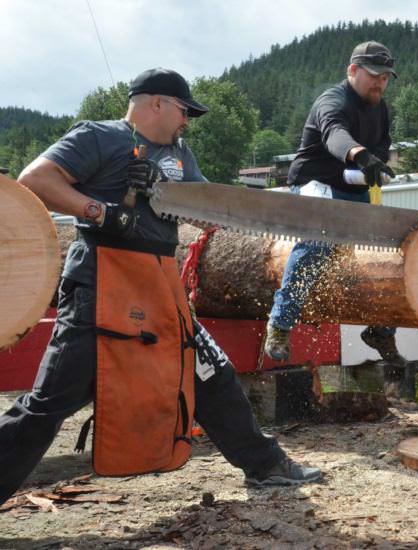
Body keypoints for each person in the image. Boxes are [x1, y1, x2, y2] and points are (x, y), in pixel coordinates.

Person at [0, 68, 321, 506]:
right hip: (102, 280)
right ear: (156, 103)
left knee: (209, 371)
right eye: (184, 110)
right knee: (51, 402)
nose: (188, 120)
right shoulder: (99, 136)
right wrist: (102, 211)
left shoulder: (181, 154)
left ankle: (265, 465)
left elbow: (205, 207)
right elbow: (34, 179)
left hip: (158, 281)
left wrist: (252, 212)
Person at [264, 41, 403, 368]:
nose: (380, 83)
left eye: (386, 77)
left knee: (386, 251)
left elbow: (381, 147)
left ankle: (381, 330)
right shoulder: (333, 100)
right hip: (315, 182)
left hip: (352, 187)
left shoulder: (380, 109)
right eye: (374, 75)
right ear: (353, 71)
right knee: (318, 239)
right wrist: (359, 155)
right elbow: (334, 135)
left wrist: (376, 165)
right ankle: (280, 324)